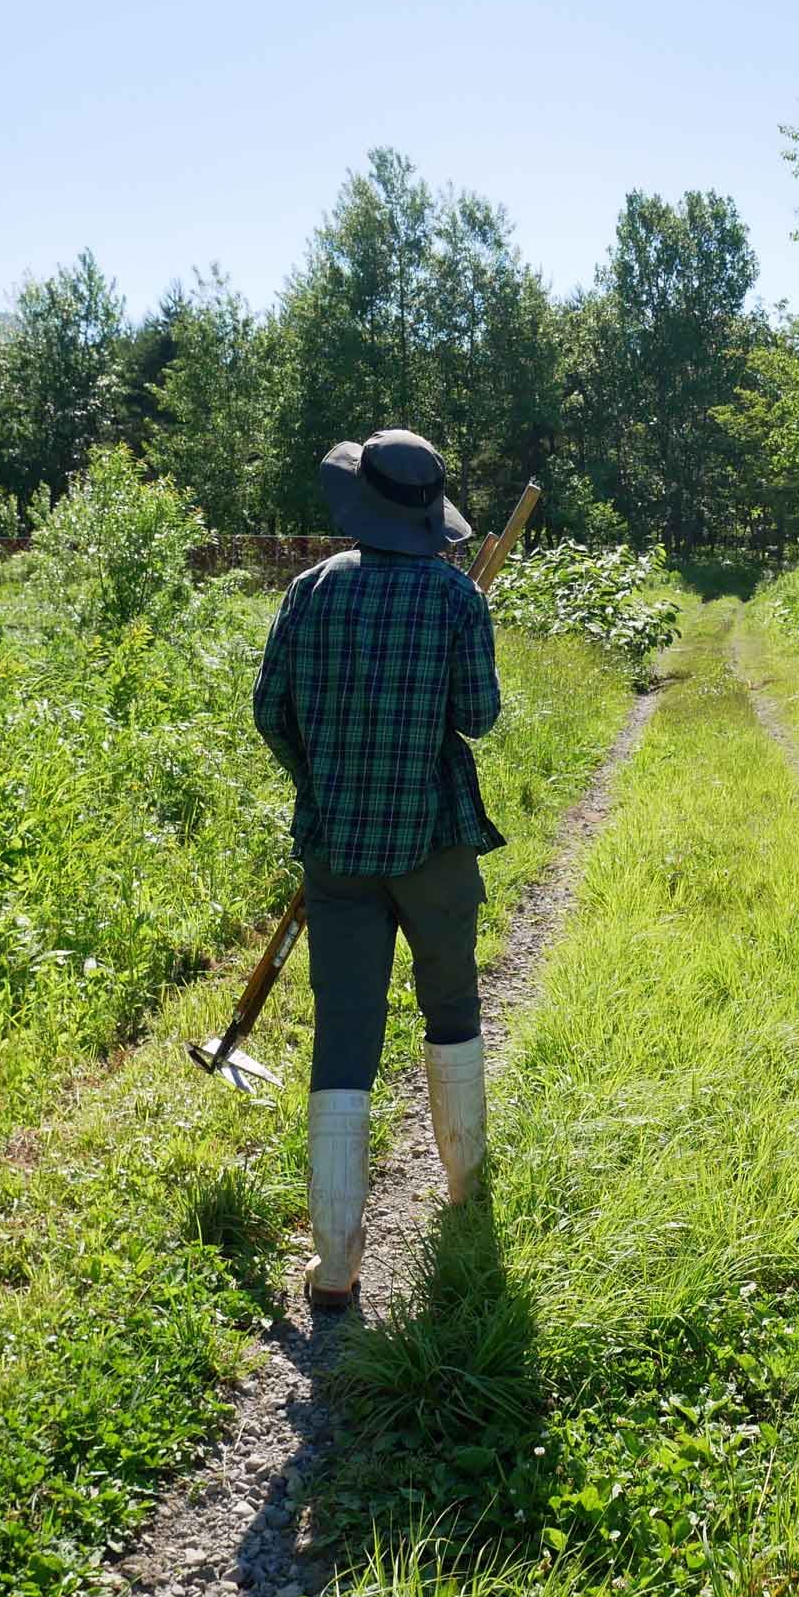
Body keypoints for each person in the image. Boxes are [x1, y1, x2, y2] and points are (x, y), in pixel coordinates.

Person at [252, 428, 502, 1309]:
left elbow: (270, 712)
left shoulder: (309, 592)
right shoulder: (455, 597)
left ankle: (334, 1267)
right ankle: (467, 1196)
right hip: (433, 842)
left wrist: (322, 782)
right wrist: (462, 626)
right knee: (453, 1006)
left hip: (339, 852)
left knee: (344, 1034)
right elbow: (478, 716)